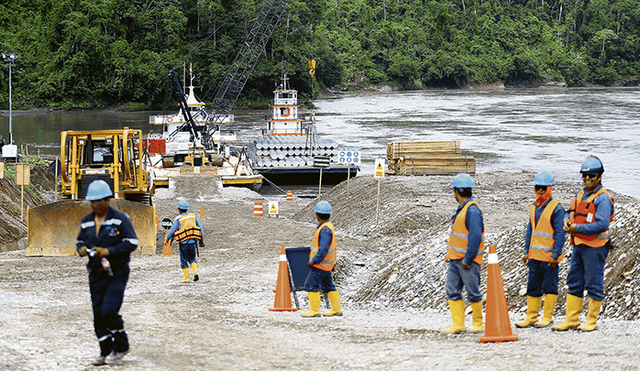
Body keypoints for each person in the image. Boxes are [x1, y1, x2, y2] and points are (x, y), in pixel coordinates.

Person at [76, 180, 137, 366]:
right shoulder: (87, 221)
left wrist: (109, 251)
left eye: (99, 202)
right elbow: (80, 241)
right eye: (92, 202)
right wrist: (82, 249)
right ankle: (105, 352)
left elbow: (132, 243)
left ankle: (121, 346)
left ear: (108, 199)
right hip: (96, 272)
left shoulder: (120, 219)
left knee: (108, 309)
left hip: (117, 272)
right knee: (98, 314)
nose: (95, 206)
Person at [552, 155, 614, 332]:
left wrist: (576, 228)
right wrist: (565, 220)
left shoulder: (602, 199)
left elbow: (602, 224)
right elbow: (568, 212)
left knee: (594, 282)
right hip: (579, 245)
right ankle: (571, 319)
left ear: (599, 177)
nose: (587, 179)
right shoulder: (580, 194)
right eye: (585, 176)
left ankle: (591, 320)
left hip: (595, 247)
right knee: (574, 280)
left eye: (591, 176)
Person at [515, 171, 566, 328]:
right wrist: (526, 252)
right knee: (533, 286)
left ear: (549, 188)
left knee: (550, 286)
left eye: (543, 188)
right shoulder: (533, 208)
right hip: (535, 257)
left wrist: (555, 254)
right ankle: (531, 316)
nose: (540, 191)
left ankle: (547, 317)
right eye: (538, 188)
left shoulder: (556, 209)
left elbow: (560, 234)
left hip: (549, 258)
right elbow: (530, 231)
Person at [442, 173, 485, 334]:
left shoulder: (472, 211)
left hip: (468, 261)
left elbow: (475, 237)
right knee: (452, 289)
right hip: (455, 259)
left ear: (457, 192)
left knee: (473, 291)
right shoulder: (463, 210)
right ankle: (458, 324)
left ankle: (477, 323)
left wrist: (468, 258)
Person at [301, 200, 343, 318]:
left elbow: (323, 249)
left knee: (310, 285)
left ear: (318, 215)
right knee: (329, 286)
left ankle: (314, 310)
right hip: (327, 265)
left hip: (320, 265)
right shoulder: (328, 227)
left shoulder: (324, 230)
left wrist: (313, 261)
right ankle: (336, 308)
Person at [165, 199, 204, 283]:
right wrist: (201, 239)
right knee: (192, 258)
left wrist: (167, 239)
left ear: (179, 209)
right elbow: (200, 228)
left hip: (183, 243)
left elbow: (172, 231)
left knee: (184, 260)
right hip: (193, 242)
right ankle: (195, 272)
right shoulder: (193, 216)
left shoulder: (178, 219)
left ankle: (186, 278)